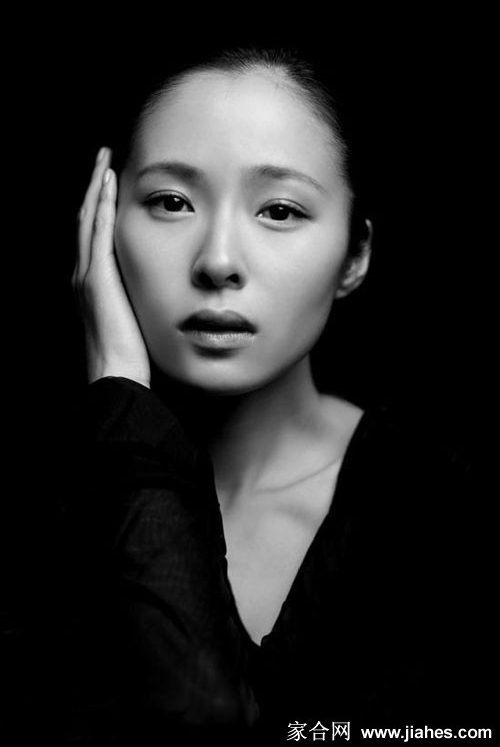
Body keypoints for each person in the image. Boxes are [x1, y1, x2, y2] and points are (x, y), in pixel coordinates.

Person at [68, 46, 489, 741]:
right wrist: (120, 388)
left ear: (355, 254)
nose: (218, 262)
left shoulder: (447, 513)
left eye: (281, 211)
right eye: (171, 202)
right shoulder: (34, 516)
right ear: (103, 227)